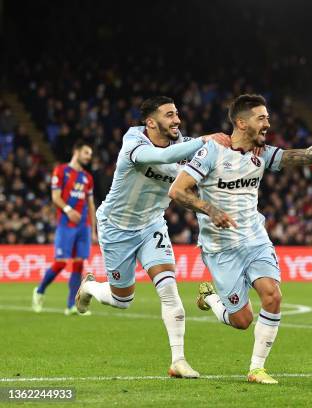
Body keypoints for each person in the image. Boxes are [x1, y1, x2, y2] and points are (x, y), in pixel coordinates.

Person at [168, 94, 312, 384]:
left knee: (273, 295)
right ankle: (210, 297)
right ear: (242, 123)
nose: (268, 123)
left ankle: (257, 368)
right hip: (221, 247)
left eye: (268, 117)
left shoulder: (263, 153)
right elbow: (178, 191)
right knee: (241, 320)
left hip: (255, 239)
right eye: (262, 118)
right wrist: (210, 208)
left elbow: (306, 156)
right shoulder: (212, 152)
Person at [75, 96, 229, 378]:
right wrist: (204, 141)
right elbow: (160, 158)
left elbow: (209, 166)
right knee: (122, 300)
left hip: (151, 225)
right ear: (150, 122)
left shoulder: (183, 145)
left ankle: (178, 360)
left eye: (177, 114)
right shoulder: (134, 142)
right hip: (116, 226)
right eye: (169, 115)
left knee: (169, 289)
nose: (177, 120)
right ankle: (90, 287)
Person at [32, 140, 96, 316]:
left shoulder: (88, 178)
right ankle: (39, 291)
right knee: (60, 262)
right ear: (76, 151)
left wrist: (93, 230)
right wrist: (68, 210)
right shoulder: (61, 171)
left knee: (78, 265)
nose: (89, 157)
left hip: (83, 227)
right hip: (66, 225)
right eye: (86, 153)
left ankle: (71, 306)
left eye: (90, 154)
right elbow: (55, 197)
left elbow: (90, 204)